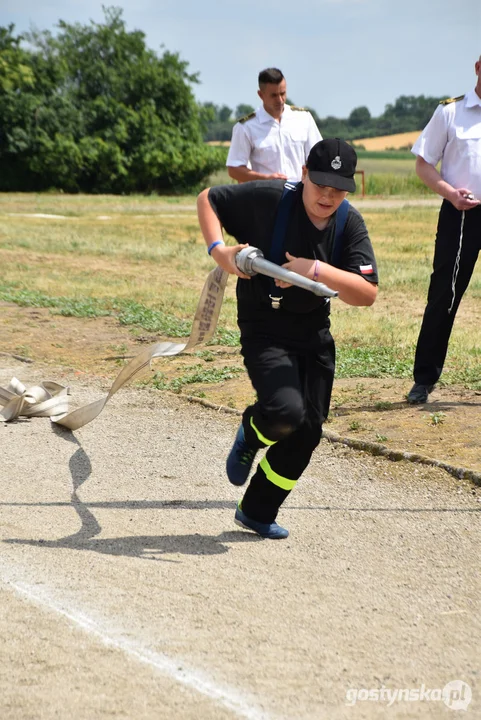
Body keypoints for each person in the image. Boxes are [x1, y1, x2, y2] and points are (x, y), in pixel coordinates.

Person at [197, 138, 378, 539]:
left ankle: (257, 510)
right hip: (265, 327)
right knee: (285, 413)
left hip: (312, 333)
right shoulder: (269, 198)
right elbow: (208, 198)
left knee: (308, 431)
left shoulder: (349, 224)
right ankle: (253, 430)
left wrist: (315, 269)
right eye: (320, 185)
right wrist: (220, 251)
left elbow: (366, 293)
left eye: (338, 188)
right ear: (304, 175)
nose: (328, 196)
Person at [407, 56, 481, 405]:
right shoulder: (451, 112)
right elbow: (423, 165)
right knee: (445, 295)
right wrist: (451, 194)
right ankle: (424, 378)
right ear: (478, 67)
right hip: (461, 214)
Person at [226, 67, 322, 183]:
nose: (280, 100)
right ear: (261, 95)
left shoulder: (303, 119)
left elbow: (319, 158)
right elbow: (234, 169)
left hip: (300, 194)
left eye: (283, 94)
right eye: (274, 95)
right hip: (265, 195)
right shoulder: (246, 127)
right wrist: (266, 179)